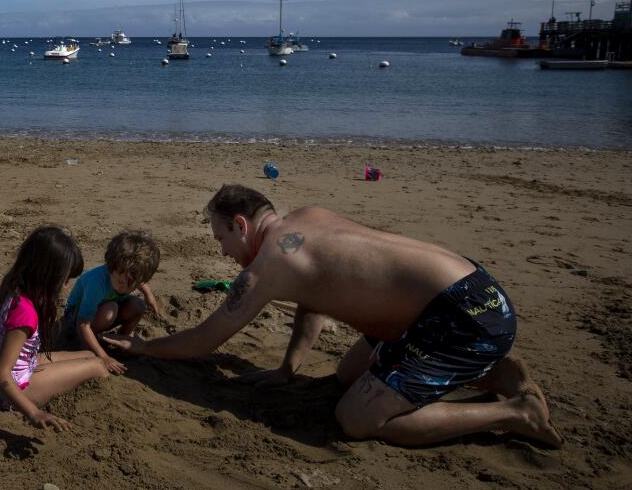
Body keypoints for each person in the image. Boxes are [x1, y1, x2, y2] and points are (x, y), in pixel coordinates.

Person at [102, 185, 562, 448]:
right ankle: (492, 371)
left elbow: (205, 340)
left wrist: (144, 347)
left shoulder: (270, 265)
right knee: (347, 373)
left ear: (240, 224)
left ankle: (514, 411)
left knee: (356, 418)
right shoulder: (307, 217)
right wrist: (288, 368)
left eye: (221, 238)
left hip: (462, 319)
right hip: (476, 291)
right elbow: (312, 298)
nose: (223, 252)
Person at [0, 225, 109, 431]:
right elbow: (0, 373)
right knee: (99, 368)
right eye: (65, 280)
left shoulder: (13, 288)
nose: (66, 286)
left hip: (22, 368)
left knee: (90, 355)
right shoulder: (25, 313)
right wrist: (34, 413)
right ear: (47, 275)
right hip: (11, 392)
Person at [60, 231, 161, 374]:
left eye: (132, 284)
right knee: (110, 310)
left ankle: (119, 341)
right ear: (110, 267)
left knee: (138, 306)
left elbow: (140, 281)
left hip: (104, 309)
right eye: (120, 282)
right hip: (76, 318)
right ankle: (90, 345)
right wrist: (103, 357)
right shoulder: (97, 282)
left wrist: (148, 295)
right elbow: (82, 324)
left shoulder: (128, 274)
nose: (124, 287)